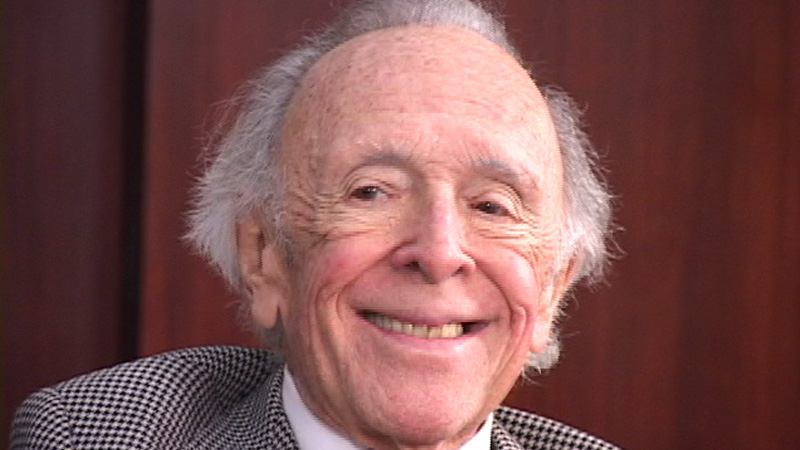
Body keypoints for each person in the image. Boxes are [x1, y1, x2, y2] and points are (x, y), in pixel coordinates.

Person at [11, 0, 616, 448]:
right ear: (263, 254)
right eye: (371, 192)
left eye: (492, 206)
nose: (439, 253)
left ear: (553, 288)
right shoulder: (100, 435)